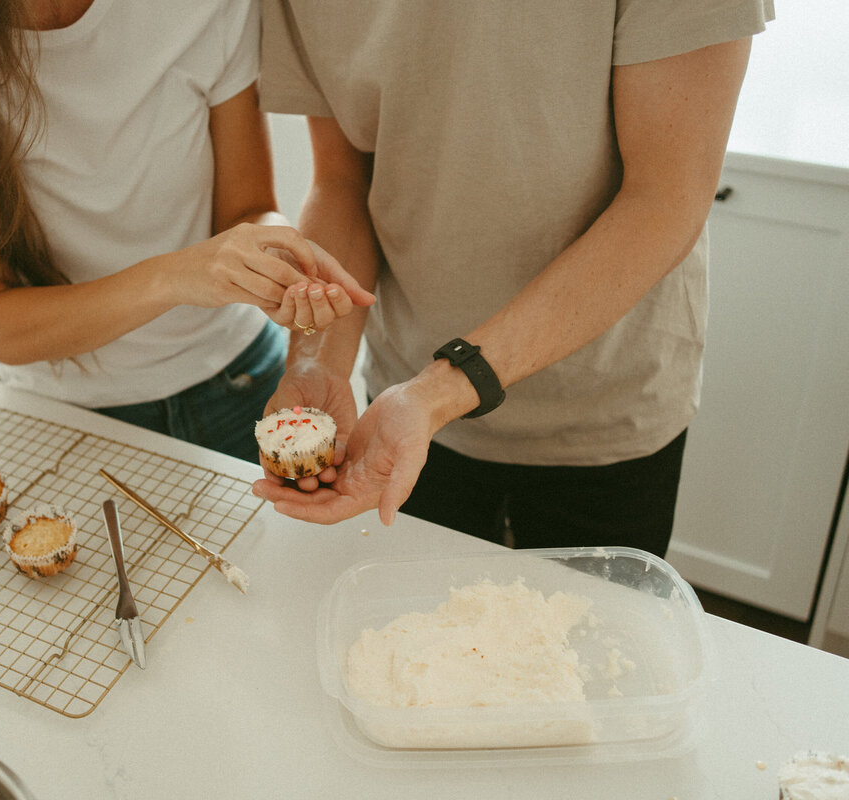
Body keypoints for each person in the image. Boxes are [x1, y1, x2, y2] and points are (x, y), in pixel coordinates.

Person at [251, 0, 774, 557]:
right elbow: (343, 180)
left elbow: (664, 200)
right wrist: (318, 362)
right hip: (403, 408)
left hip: (598, 411)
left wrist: (442, 389)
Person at [0, 0, 374, 463]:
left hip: (246, 379)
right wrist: (179, 276)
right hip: (66, 414)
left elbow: (248, 208)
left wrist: (273, 257)